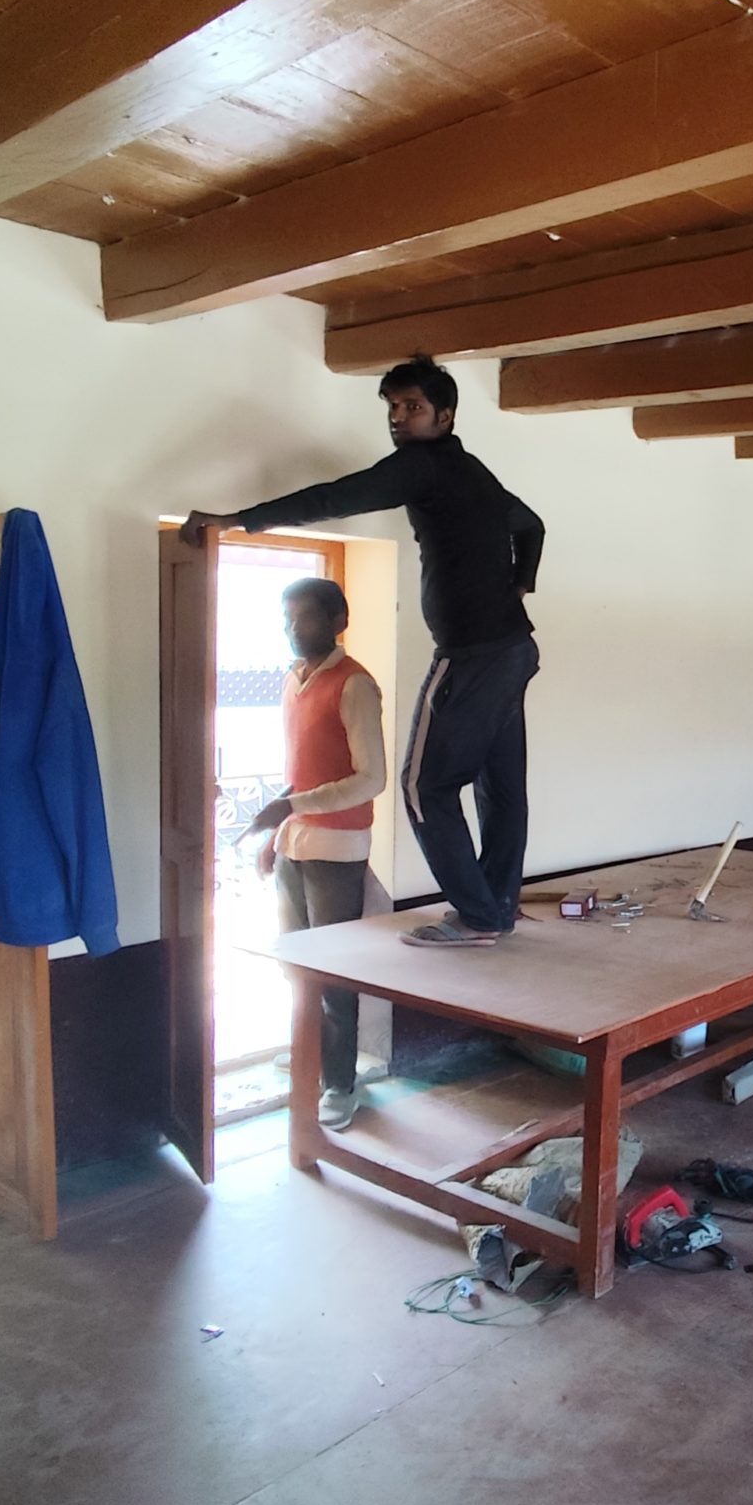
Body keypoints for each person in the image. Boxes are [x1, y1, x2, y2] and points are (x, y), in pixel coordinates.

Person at [186, 356, 543, 948]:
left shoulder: (423, 466)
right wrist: (518, 585)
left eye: (413, 408)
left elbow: (335, 497)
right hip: (512, 650)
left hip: (471, 655)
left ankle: (480, 916)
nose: (399, 418)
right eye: (393, 408)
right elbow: (531, 526)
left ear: (445, 416)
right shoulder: (471, 472)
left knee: (423, 788)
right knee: (499, 786)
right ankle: (497, 907)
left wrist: (238, 520)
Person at [235, 577, 385, 1128]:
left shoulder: (354, 685)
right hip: (296, 844)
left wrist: (292, 806)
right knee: (296, 967)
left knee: (334, 974)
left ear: (338, 621)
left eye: (306, 617)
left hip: (337, 848)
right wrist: (279, 832)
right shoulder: (293, 680)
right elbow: (301, 772)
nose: (293, 629)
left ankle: (340, 1084)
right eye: (287, 618)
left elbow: (371, 779)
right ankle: (311, 1054)